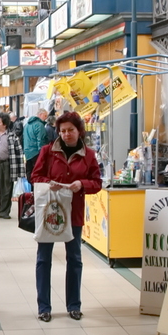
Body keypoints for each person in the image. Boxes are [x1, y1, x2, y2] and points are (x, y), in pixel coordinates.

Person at [32, 110, 102, 321]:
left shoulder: (88, 155)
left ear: (79, 131)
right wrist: (47, 182)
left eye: (70, 130)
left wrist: (82, 184)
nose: (66, 134)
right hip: (50, 212)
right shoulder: (47, 151)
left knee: (75, 258)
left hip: (74, 213)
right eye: (62, 131)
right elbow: (35, 176)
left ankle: (74, 305)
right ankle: (44, 307)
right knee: (44, 259)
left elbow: (97, 183)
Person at [23, 104, 53, 181]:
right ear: (40, 114)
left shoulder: (27, 125)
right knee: (38, 173)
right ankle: (36, 190)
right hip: (36, 152)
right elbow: (41, 140)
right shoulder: (39, 125)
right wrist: (42, 153)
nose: (46, 118)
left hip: (27, 152)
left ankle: (31, 190)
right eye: (45, 115)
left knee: (29, 172)